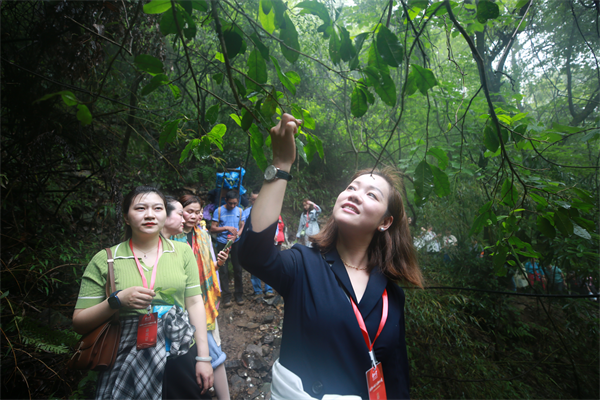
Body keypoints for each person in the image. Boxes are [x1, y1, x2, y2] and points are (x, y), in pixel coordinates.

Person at [238, 113, 423, 399]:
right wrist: (281, 164)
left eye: (372, 195)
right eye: (351, 188)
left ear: (385, 222)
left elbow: (396, 376)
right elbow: (253, 254)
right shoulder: (304, 263)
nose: (355, 194)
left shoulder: (391, 295)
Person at [73, 186, 213, 400]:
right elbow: (80, 322)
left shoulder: (182, 252)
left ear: (165, 215)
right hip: (125, 353)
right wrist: (116, 301)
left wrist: (203, 358)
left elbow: (194, 303)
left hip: (178, 348)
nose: (149, 214)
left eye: (158, 208)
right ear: (126, 218)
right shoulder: (105, 259)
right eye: (140, 208)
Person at [166, 195, 231, 400]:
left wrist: (218, 264)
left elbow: (209, 266)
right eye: (190, 211)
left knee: (209, 345)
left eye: (199, 212)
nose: (195, 216)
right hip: (177, 303)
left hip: (202, 299)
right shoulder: (169, 238)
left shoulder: (202, 235)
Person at [211, 190, 245, 306]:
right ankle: (226, 297)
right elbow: (213, 228)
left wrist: (237, 235)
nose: (232, 206)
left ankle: (239, 294)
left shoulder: (240, 211)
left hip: (235, 242)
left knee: (238, 269)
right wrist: (226, 228)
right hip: (222, 243)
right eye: (230, 203)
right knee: (223, 270)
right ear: (225, 200)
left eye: (235, 203)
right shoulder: (219, 211)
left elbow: (242, 226)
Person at [242, 191, 274, 298]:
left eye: (257, 199)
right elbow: (242, 228)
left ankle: (269, 289)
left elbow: (274, 226)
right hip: (252, 244)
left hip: (265, 243)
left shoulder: (267, 211)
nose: (255, 201)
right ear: (250, 199)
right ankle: (258, 291)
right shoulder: (246, 212)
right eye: (253, 199)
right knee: (254, 267)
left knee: (267, 265)